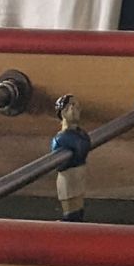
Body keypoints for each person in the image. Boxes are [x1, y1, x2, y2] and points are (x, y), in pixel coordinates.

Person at [51, 93, 92, 222]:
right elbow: (60, 164)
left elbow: (84, 146)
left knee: (78, 211)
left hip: (78, 174)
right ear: (63, 112)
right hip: (68, 177)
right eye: (72, 105)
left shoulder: (80, 134)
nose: (77, 109)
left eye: (78, 106)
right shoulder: (61, 139)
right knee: (71, 214)